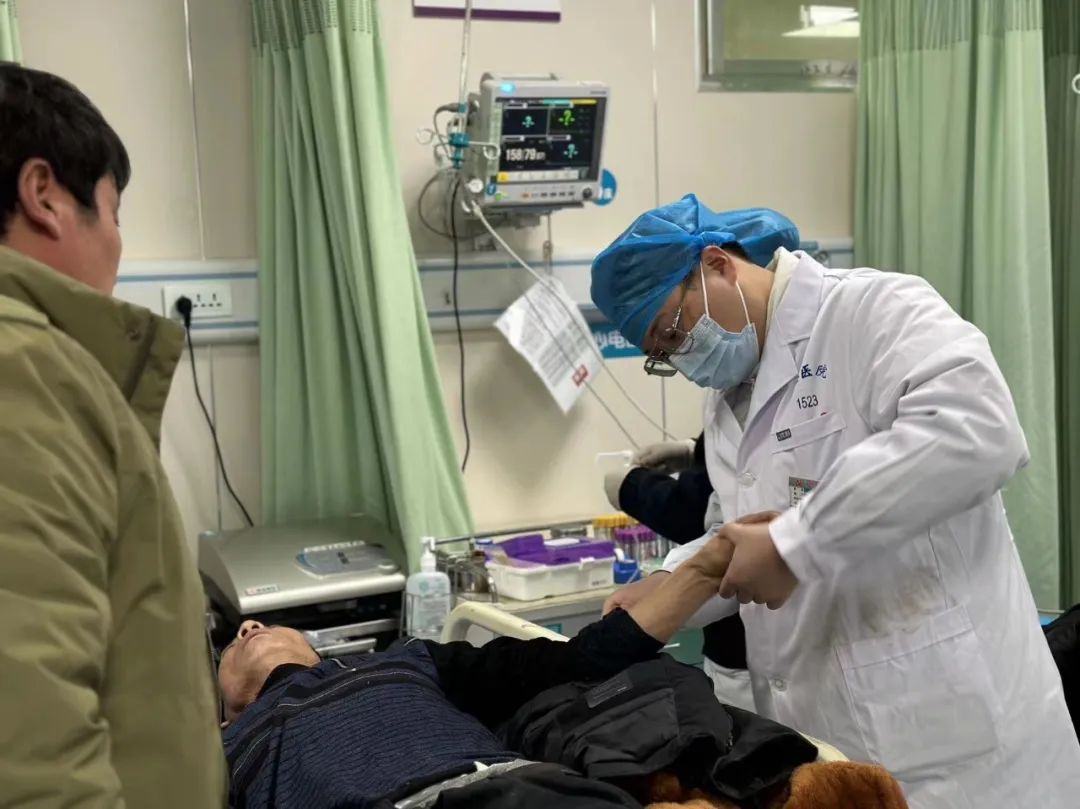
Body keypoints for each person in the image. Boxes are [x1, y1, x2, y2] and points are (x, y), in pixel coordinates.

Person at [589, 193, 1080, 808]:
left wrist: (796, 543)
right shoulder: (729, 398)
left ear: (717, 264)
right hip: (826, 744)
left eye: (673, 331)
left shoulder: (875, 312)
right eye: (662, 355)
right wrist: (673, 582)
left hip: (958, 751)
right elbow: (736, 533)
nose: (682, 357)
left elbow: (977, 432)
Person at [0, 64, 225, 805]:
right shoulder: (24, 372)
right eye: (115, 211)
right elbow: (29, 743)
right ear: (44, 195)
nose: (119, 244)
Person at [218, 536, 754, 808]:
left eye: (262, 623)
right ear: (223, 715)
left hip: (516, 793)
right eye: (230, 643)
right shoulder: (223, 749)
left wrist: (698, 576)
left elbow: (576, 659)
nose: (249, 627)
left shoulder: (408, 661)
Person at [603, 434, 754, 711]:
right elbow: (724, 530)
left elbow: (696, 513)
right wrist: (666, 580)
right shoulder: (722, 413)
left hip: (814, 655)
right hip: (740, 657)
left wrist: (632, 487)